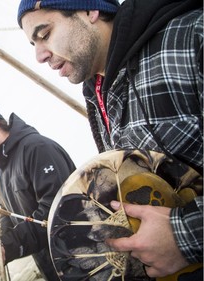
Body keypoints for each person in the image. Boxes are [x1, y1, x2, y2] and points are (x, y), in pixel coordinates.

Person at [17, 0, 203, 279]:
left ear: (90, 11)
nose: (40, 56)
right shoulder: (97, 93)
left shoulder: (189, 39)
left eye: (44, 34)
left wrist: (184, 235)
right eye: (34, 45)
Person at [0, 102, 76, 281]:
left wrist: (10, 246)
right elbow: (5, 211)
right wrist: (0, 241)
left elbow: (57, 210)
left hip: (80, 261)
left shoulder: (36, 148)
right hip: (53, 269)